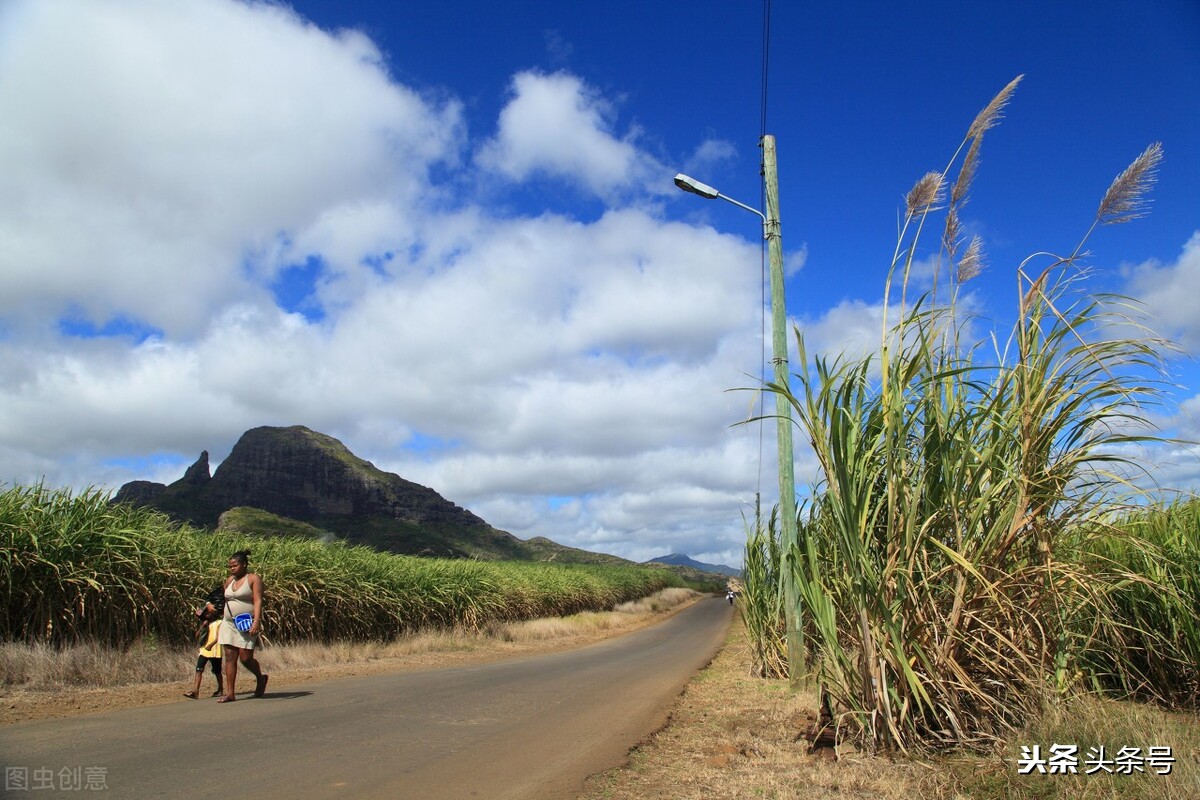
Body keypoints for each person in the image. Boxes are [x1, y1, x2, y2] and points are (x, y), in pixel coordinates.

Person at [216, 549, 268, 702]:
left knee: (245, 658)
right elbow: (224, 599)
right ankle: (230, 693)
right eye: (230, 566)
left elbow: (258, 600)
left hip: (246, 622)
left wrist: (256, 621)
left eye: (235, 566)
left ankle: (261, 678)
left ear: (244, 565)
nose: (232, 569)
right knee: (230, 657)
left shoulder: (253, 579)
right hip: (229, 623)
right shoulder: (229, 580)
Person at [184, 614, 224, 699]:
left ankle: (220, 689)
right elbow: (197, 636)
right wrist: (203, 626)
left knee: (217, 671)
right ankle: (195, 691)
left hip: (214, 650)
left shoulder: (219, 623)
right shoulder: (205, 623)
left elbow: (219, 636)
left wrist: (211, 645)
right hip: (204, 650)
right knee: (199, 669)